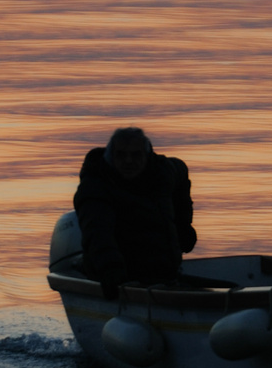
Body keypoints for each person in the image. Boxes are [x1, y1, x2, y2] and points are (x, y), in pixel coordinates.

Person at [72, 126, 196, 294]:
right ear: (111, 157)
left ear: (146, 155)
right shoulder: (96, 187)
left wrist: (183, 225)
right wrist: (111, 270)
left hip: (164, 274)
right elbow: (97, 232)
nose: (129, 161)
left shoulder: (162, 173)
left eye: (136, 155)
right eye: (121, 155)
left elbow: (181, 172)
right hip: (123, 277)